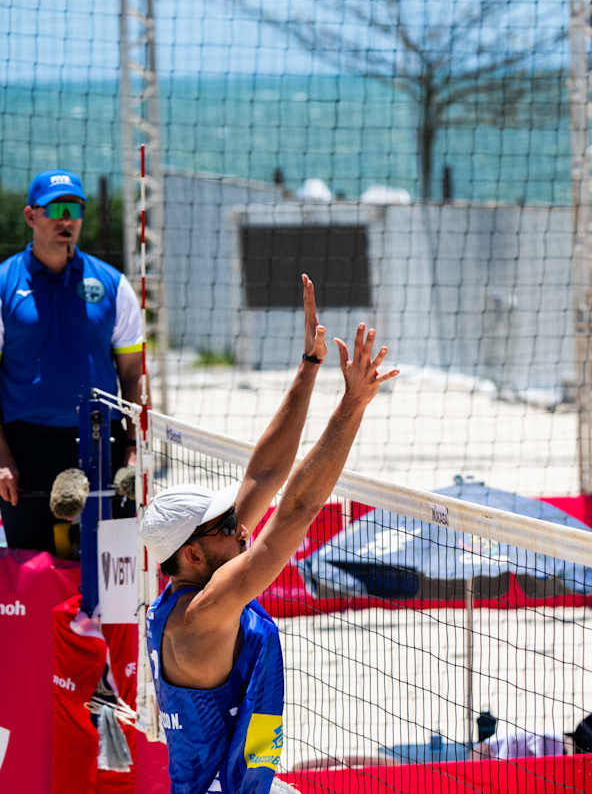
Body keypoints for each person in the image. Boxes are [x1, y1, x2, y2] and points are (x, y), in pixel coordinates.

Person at [141, 275, 397, 794]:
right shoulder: (205, 612)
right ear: (191, 552)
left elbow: (265, 476)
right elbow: (297, 510)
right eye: (227, 526)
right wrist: (352, 407)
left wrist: (308, 366)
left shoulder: (193, 585)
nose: (241, 530)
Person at [0, 169, 143, 554]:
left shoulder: (113, 284)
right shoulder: (4, 282)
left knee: (110, 575)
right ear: (31, 216)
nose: (66, 219)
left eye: (75, 209)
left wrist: (134, 447)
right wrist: (2, 458)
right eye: (56, 209)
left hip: (101, 442)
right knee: (34, 574)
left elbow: (132, 374)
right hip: (27, 448)